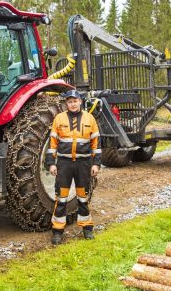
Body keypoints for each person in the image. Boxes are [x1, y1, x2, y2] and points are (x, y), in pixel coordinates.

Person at [45, 89, 101, 245]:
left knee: (83, 197)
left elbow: (96, 144)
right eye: (70, 101)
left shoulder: (90, 119)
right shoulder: (59, 119)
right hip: (64, 164)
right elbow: (53, 143)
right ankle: (57, 231)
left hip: (84, 164)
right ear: (66, 103)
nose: (73, 104)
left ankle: (87, 228)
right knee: (61, 198)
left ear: (80, 102)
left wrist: (96, 163)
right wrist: (51, 163)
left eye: (75, 101)